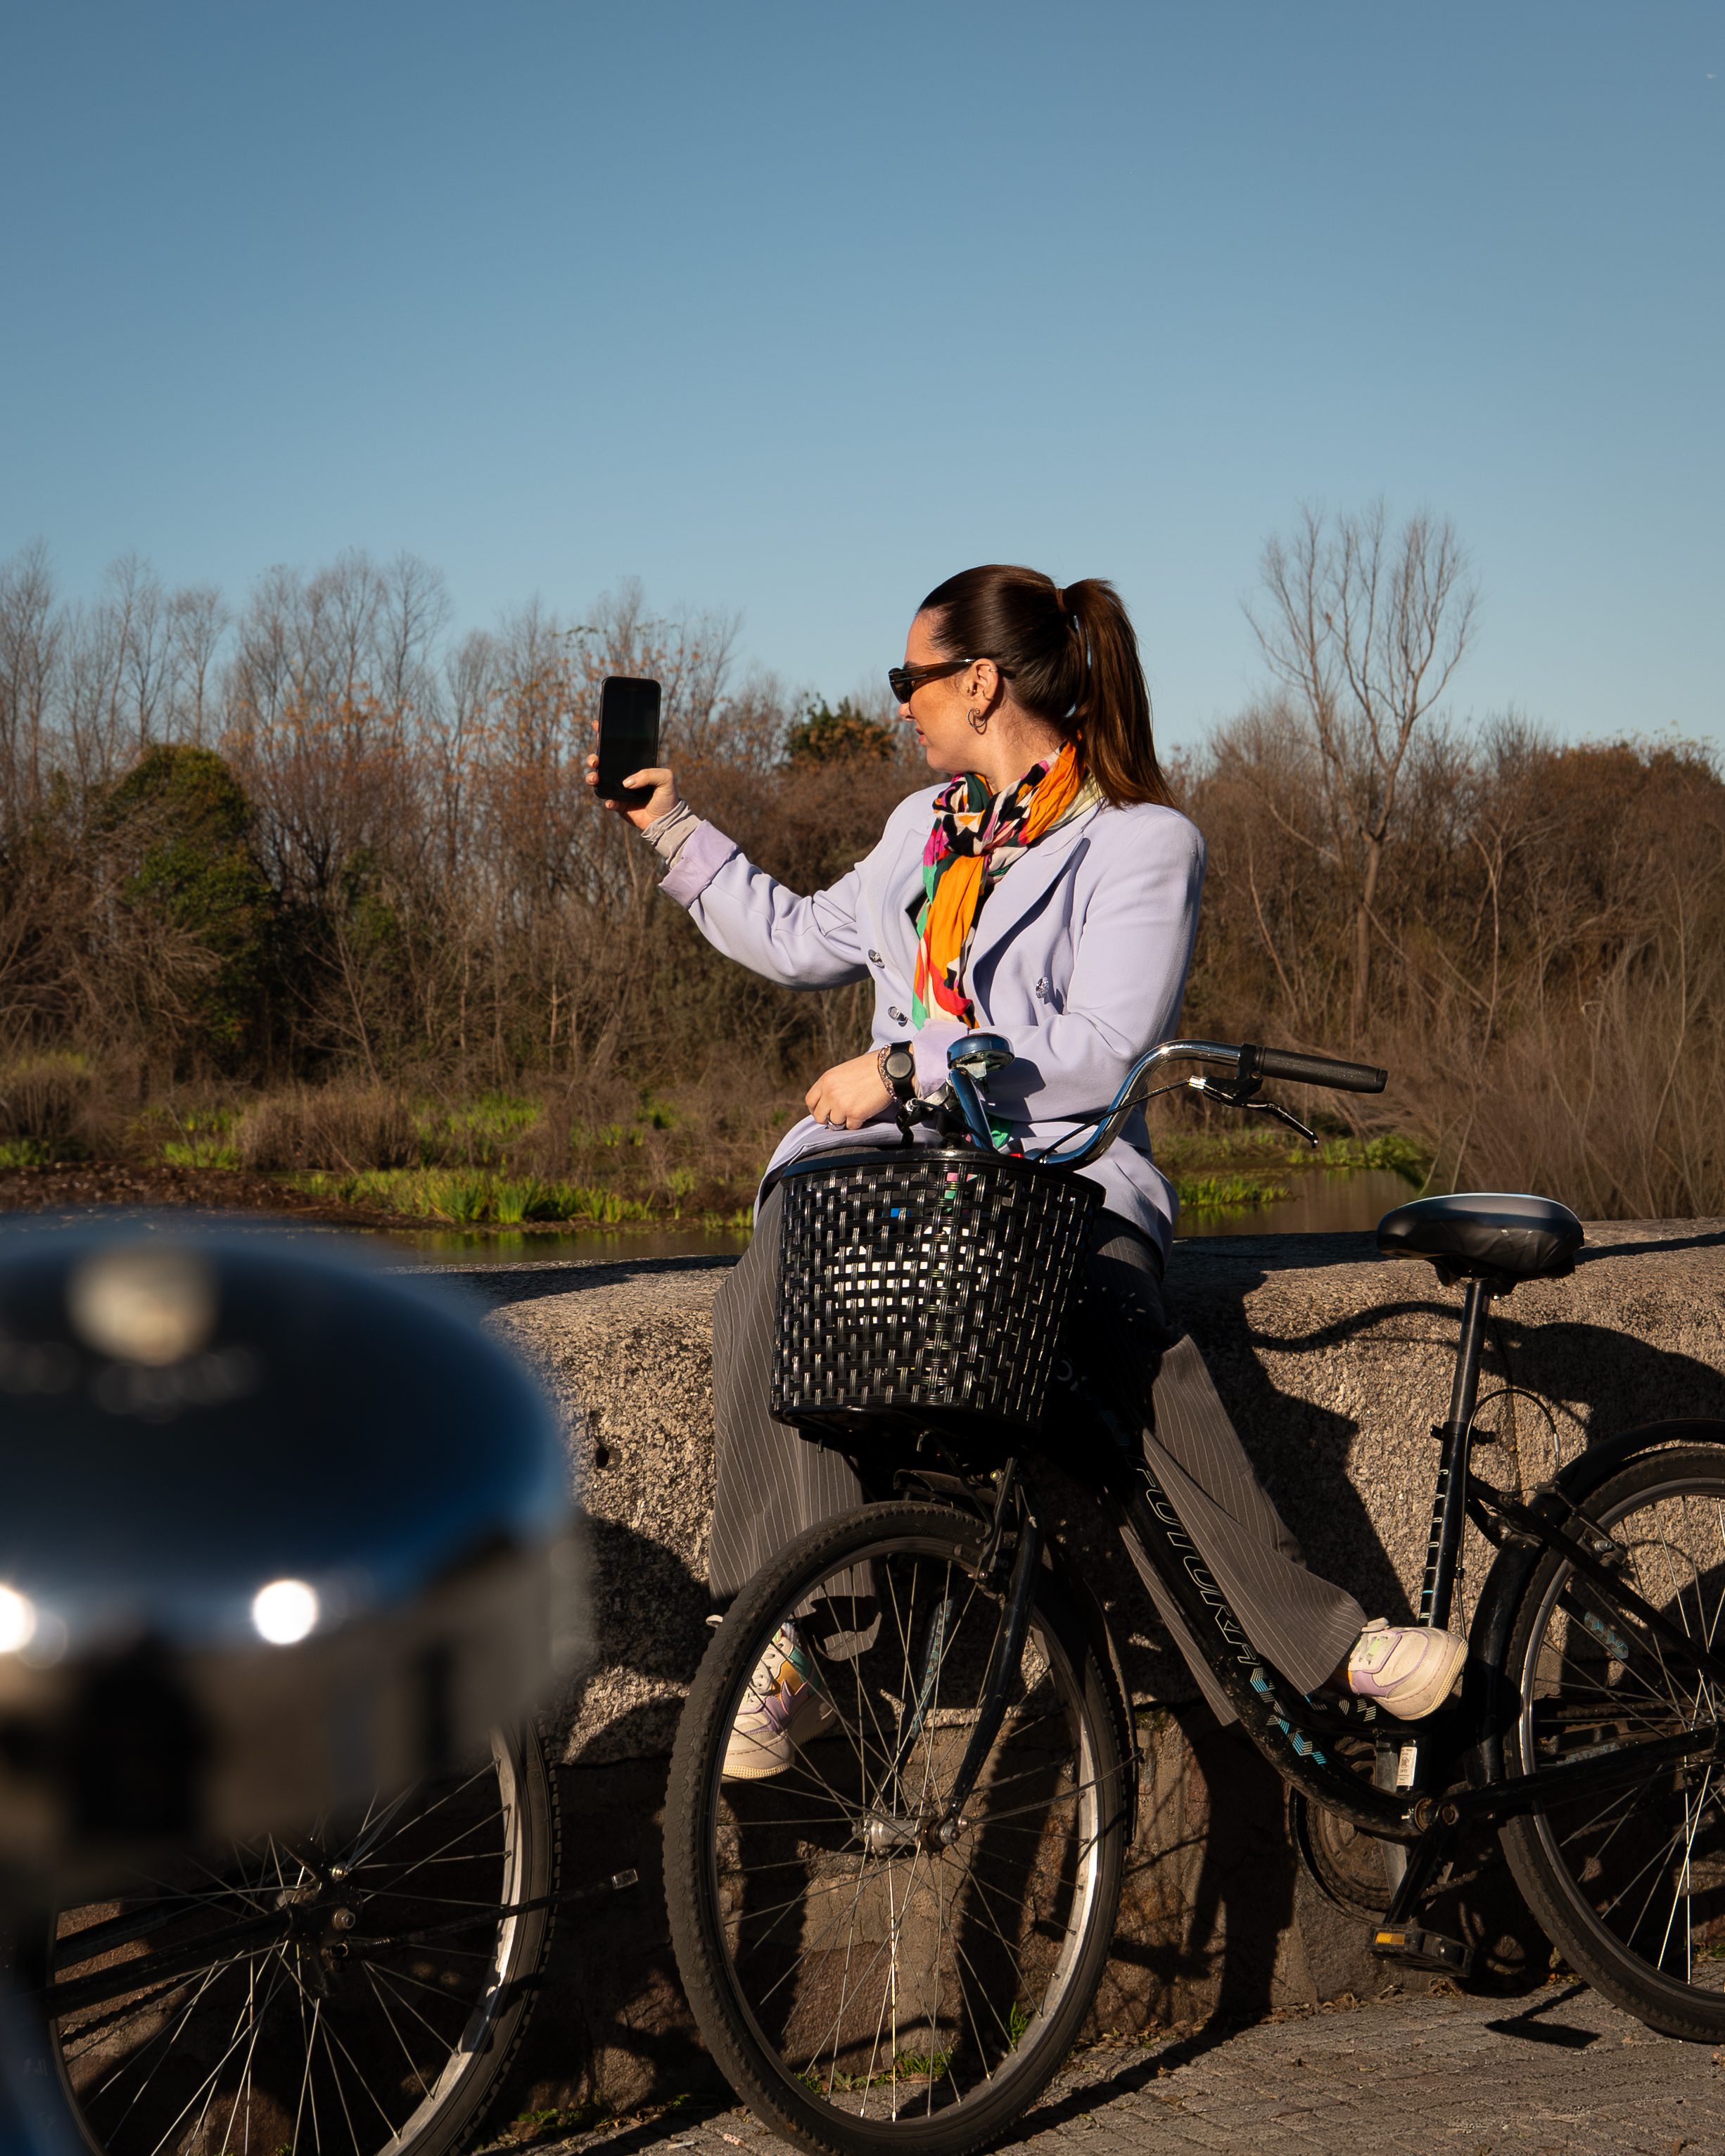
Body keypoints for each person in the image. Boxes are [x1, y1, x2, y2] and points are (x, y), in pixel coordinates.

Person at [586, 563, 1466, 1771]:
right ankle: (796, 1637)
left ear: (982, 680)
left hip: (1061, 1171)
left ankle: (1331, 1644)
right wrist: (669, 828)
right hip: (909, 1180)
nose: (900, 705)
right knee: (782, 1257)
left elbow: (1104, 1054)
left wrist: (910, 1068)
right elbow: (798, 937)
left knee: (1108, 1325)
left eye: (913, 679)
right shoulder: (921, 831)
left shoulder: (1142, 844)